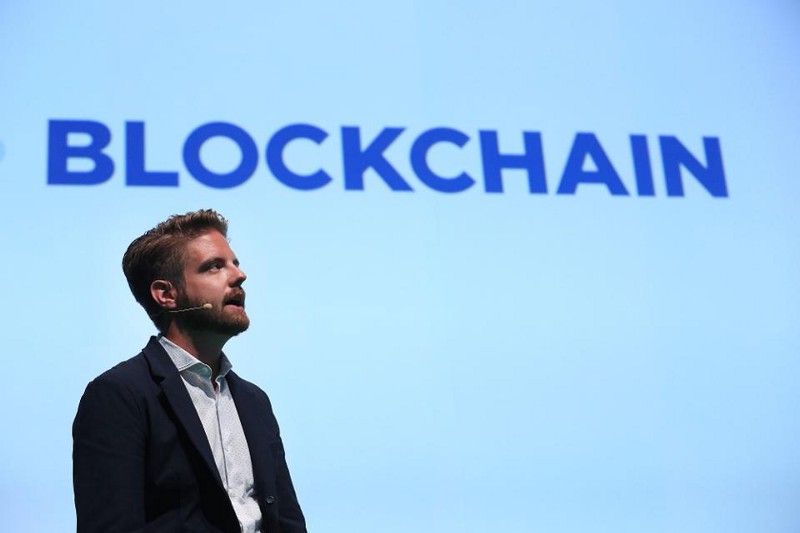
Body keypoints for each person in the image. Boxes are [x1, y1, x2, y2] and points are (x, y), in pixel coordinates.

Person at [73, 209, 307, 533]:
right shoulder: (119, 395)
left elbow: (287, 522)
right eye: (214, 266)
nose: (239, 276)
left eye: (235, 263)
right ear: (166, 294)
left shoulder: (254, 401)